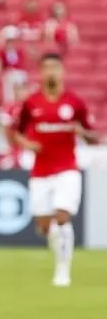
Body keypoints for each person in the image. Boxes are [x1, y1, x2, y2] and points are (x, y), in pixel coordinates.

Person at [12, 53, 100, 288]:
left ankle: (63, 269)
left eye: (55, 68)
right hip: (41, 172)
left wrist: (84, 133)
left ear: (63, 72)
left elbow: (95, 137)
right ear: (40, 73)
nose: (51, 72)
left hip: (67, 169)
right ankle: (59, 250)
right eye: (46, 68)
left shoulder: (75, 103)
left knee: (62, 216)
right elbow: (15, 131)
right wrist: (28, 144)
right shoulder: (31, 104)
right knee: (44, 226)